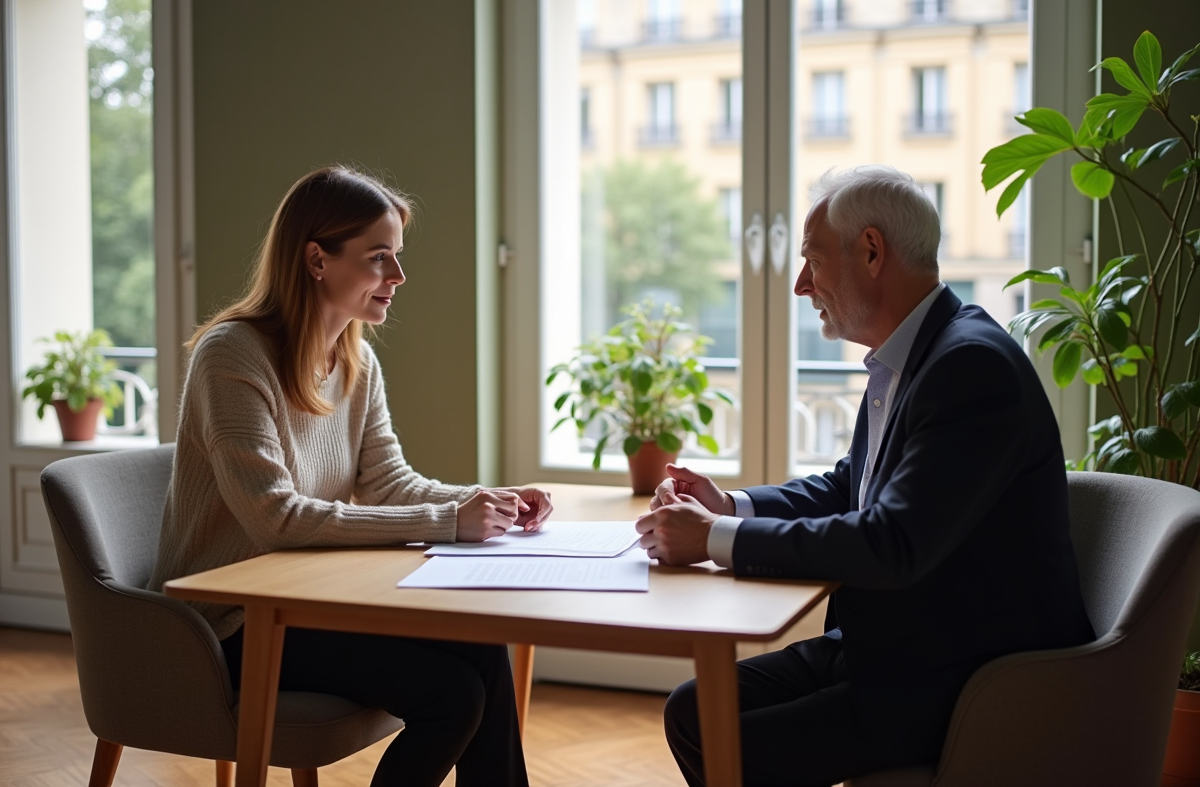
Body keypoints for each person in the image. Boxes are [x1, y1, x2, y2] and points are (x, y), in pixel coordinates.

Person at [635, 165, 1095, 787]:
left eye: (813, 261)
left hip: (971, 674)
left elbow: (891, 541)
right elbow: (853, 483)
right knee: (694, 710)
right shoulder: (919, 355)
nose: (801, 285)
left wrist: (712, 538)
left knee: (726, 739)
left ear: (872, 251)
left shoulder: (970, 368)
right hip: (901, 643)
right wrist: (732, 505)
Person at [147, 165, 549, 787]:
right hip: (229, 623)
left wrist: (482, 502)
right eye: (379, 258)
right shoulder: (230, 356)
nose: (398, 276)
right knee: (452, 695)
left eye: (397, 257)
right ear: (316, 259)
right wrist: (448, 519)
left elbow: (389, 482)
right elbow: (273, 517)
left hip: (302, 599)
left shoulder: (354, 359)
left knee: (483, 649)